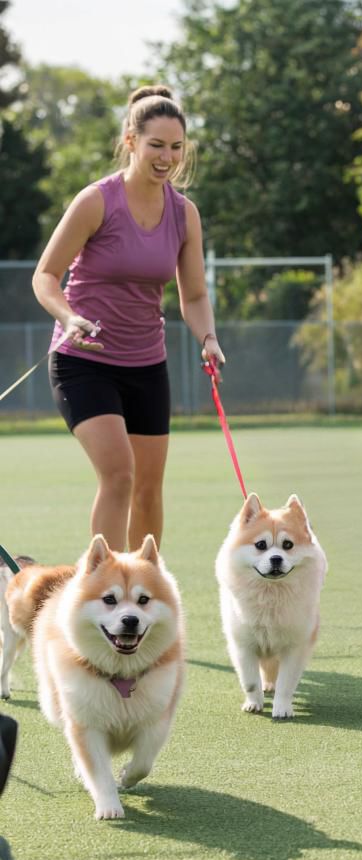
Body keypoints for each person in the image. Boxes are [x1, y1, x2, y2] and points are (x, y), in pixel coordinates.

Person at [32, 85, 225, 552]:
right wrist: (69, 317)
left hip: (145, 365)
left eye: (176, 147)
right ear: (130, 141)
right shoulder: (96, 201)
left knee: (148, 488)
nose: (167, 157)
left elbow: (194, 293)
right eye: (156, 145)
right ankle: (105, 592)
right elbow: (46, 276)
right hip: (83, 361)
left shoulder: (184, 214)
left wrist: (209, 337)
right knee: (119, 474)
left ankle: (144, 588)